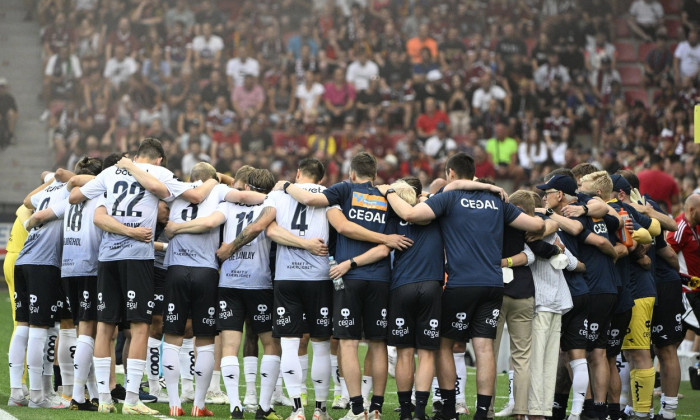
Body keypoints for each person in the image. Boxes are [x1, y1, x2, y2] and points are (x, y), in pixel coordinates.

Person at [380, 153, 545, 420]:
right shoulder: (498, 200)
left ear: (451, 174)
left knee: (443, 346)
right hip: (493, 283)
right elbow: (537, 224)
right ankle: (482, 413)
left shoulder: (449, 197)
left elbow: (410, 213)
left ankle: (448, 409)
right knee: (483, 348)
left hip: (460, 283)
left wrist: (388, 190)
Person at [67, 138, 215, 414]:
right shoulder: (160, 174)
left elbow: (75, 196)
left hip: (108, 257)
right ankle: (132, 400)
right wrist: (214, 180)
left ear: (136, 155)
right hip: (137, 257)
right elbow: (196, 196)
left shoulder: (110, 173)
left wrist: (99, 188)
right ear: (159, 160)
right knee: (140, 326)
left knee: (105, 326)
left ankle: (105, 398)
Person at [281, 153, 410, 420]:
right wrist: (384, 237)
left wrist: (284, 185)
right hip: (380, 277)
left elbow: (311, 200)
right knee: (378, 344)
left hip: (349, 278)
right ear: (374, 175)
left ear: (351, 174)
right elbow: (387, 246)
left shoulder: (344, 189)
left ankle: (356, 409)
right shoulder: (388, 197)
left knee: (348, 344)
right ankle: (375, 409)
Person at [0, 77, 18, 147]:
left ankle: (11, 134)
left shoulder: (10, 98)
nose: (1, 89)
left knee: (11, 113)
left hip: (6, 117)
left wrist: (13, 117)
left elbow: (15, 111)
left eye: (3, 87)